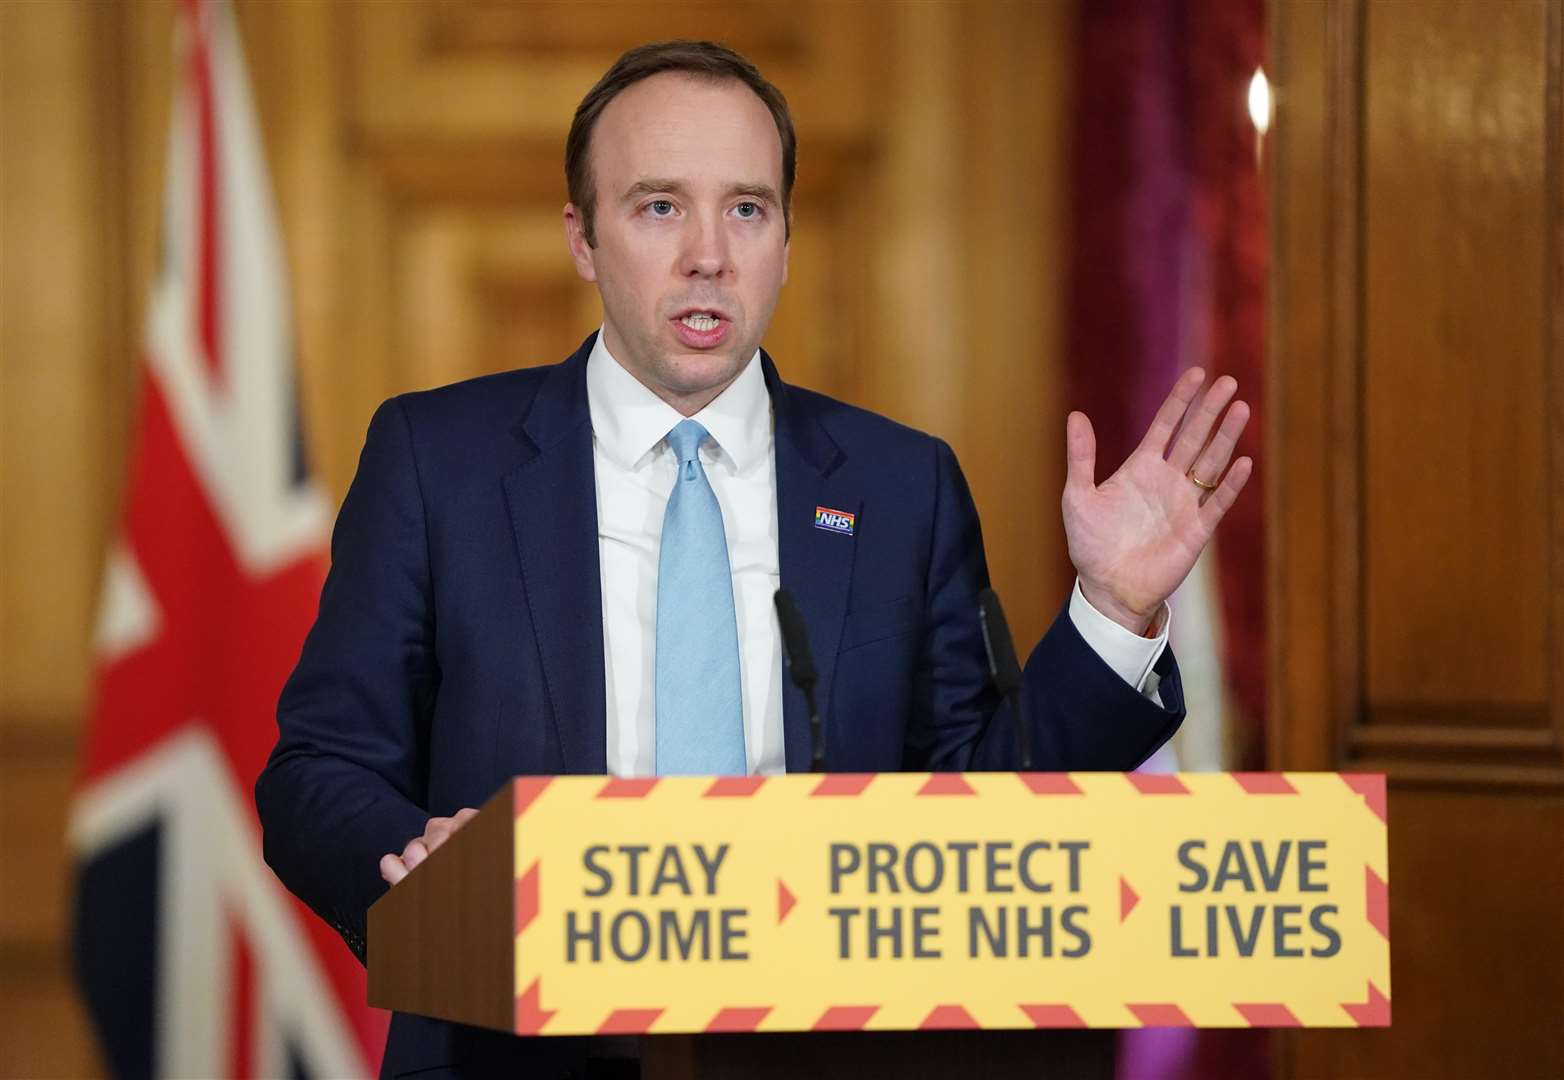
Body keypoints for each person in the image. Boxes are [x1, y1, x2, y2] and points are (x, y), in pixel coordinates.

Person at [256, 40, 1252, 1080]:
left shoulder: (899, 486)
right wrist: (420, 871)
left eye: (746, 209)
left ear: (784, 240)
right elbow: (319, 769)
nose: (707, 254)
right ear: (582, 239)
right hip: (515, 1051)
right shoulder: (437, 463)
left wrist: (1112, 609)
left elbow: (988, 813)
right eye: (656, 207)